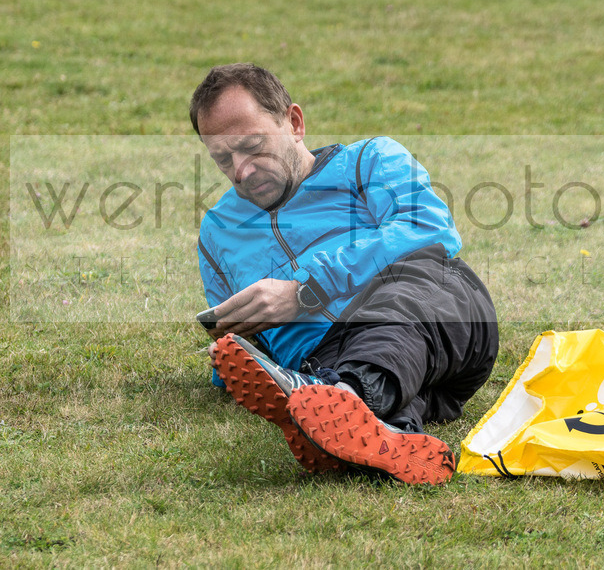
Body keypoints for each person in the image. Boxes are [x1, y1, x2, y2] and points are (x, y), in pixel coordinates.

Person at [190, 63, 499, 485]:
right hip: (335, 360)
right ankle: (382, 437)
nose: (242, 170)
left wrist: (305, 290)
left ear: (294, 122)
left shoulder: (369, 160)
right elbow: (242, 344)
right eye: (223, 159)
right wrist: (230, 353)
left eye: (252, 146)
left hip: (439, 318)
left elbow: (430, 230)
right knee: (346, 379)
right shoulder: (217, 232)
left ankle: (340, 400)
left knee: (404, 292)